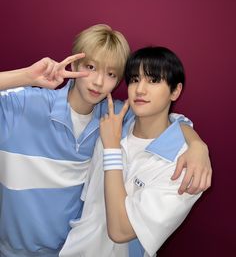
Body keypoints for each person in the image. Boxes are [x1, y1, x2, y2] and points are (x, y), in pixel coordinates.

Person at [0, 24, 211, 257]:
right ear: (73, 65)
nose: (99, 82)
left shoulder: (113, 117)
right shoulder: (22, 105)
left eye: (111, 74)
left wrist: (197, 145)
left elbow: (167, 117)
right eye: (90, 67)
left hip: (67, 249)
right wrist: (27, 76)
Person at [60, 46, 209, 257]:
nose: (140, 90)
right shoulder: (115, 125)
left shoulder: (184, 166)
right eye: (134, 79)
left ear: (175, 91)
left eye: (154, 80)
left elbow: (121, 231)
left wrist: (112, 150)